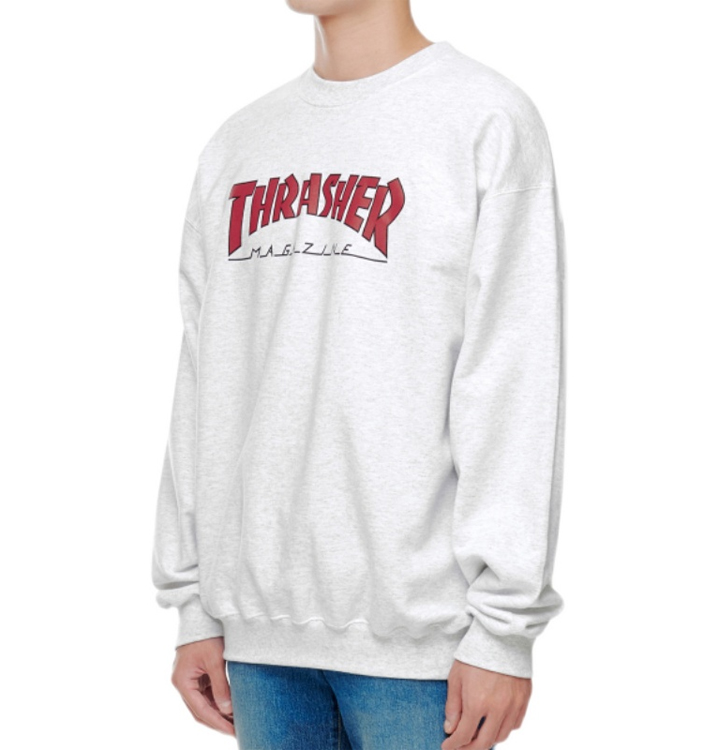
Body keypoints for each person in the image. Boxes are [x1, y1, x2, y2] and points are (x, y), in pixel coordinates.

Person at [151, 1, 567, 748]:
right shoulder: (239, 142)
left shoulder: (484, 120)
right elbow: (203, 382)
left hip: (426, 646)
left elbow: (512, 378)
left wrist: (503, 630)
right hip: (256, 643)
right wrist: (193, 605)